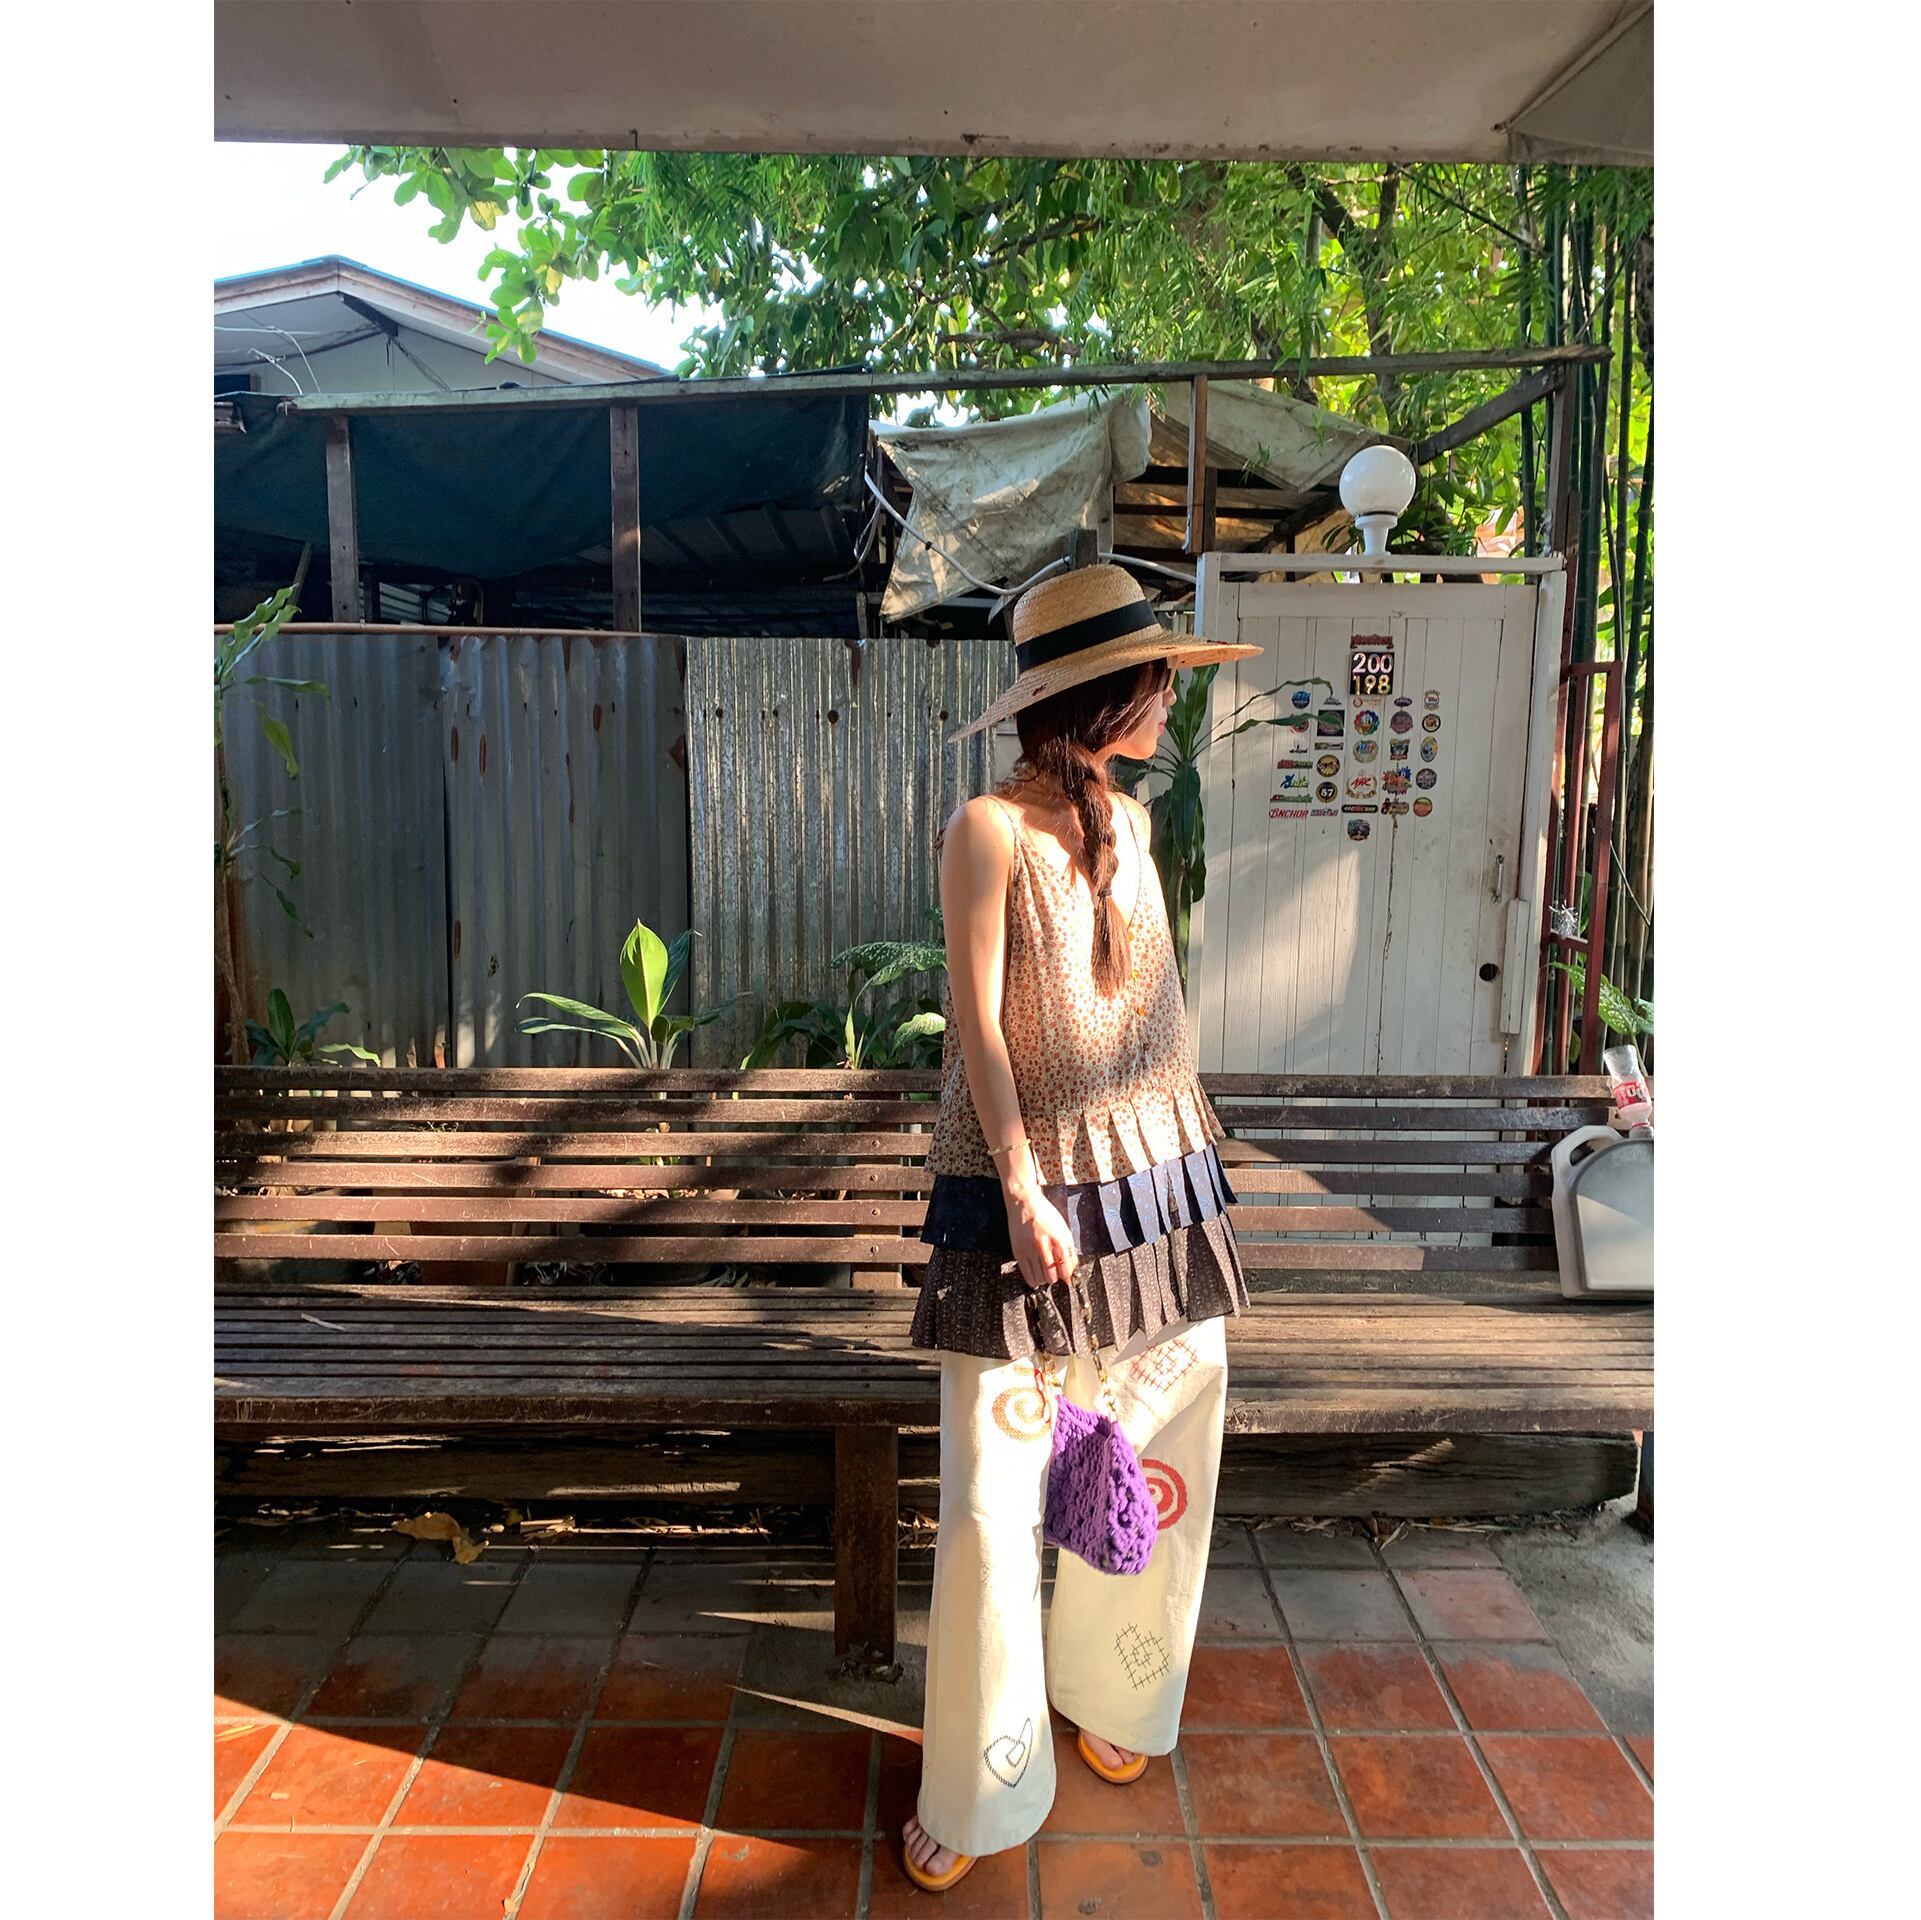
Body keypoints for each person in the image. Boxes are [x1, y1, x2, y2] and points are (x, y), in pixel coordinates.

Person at [900, 563, 1263, 1893]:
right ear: (1099, 693)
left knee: (1154, 1452)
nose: (1170, 702)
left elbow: (1148, 1015)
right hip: (1025, 1201)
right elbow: (980, 1025)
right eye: (1157, 682)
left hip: (1159, 1191)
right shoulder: (986, 829)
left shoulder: (1138, 824)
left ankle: (1115, 1687)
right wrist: (1020, 1186)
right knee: (996, 1493)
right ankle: (981, 1778)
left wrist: (1183, 1162)